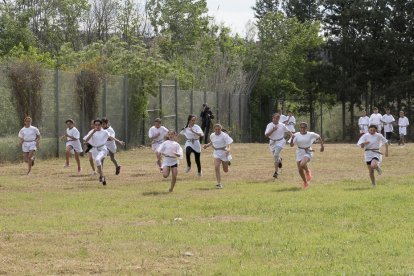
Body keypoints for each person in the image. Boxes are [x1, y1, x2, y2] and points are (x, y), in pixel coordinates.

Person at [83, 119, 119, 185]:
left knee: (97, 160)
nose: (97, 126)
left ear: (101, 125)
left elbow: (111, 137)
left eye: (99, 125)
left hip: (103, 149)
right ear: (94, 125)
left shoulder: (104, 132)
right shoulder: (92, 131)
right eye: (95, 125)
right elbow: (86, 140)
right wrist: (93, 132)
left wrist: (119, 141)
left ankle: (101, 176)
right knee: (98, 162)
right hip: (95, 150)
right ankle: (102, 176)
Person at [289, 122, 324, 189]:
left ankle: (307, 171)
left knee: (302, 164)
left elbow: (319, 137)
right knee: (300, 170)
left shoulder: (310, 134)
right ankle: (305, 182)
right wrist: (292, 139)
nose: (302, 129)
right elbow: (291, 145)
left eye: (304, 127)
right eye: (301, 127)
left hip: (308, 151)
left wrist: (322, 146)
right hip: (299, 152)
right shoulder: (296, 135)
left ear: (306, 128)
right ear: (299, 128)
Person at [203, 124, 233, 189]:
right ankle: (219, 184)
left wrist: (229, 149)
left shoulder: (224, 135)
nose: (217, 131)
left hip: (224, 152)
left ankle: (227, 161)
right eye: (216, 129)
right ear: (214, 129)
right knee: (216, 167)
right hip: (216, 152)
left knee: (225, 170)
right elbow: (212, 142)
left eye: (218, 129)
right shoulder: (212, 135)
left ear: (220, 129)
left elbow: (229, 143)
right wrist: (207, 145)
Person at [265, 113, 293, 178]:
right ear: (272, 118)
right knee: (276, 156)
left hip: (280, 141)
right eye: (274, 118)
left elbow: (289, 132)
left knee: (275, 155)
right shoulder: (269, 125)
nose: (275, 120)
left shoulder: (282, 125)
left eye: (276, 118)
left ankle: (276, 172)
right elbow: (266, 135)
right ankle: (280, 159)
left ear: (278, 119)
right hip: (272, 142)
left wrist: (293, 138)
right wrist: (273, 129)